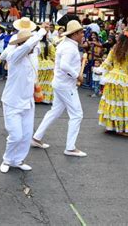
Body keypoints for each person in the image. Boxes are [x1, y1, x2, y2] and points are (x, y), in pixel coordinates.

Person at [32, 20, 87, 157]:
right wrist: (77, 76)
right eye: (81, 33)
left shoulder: (66, 44)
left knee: (54, 112)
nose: (82, 36)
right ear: (74, 34)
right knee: (77, 114)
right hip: (66, 85)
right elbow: (64, 65)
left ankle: (36, 137)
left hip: (61, 83)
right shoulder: (69, 47)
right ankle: (70, 147)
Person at [0, 24, 48, 173]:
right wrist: (41, 32)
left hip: (28, 102)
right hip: (12, 102)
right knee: (15, 135)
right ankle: (7, 159)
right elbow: (27, 45)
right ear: (21, 43)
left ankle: (18, 160)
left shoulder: (32, 55)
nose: (35, 46)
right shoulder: (14, 55)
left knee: (26, 136)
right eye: (31, 43)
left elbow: (33, 47)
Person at [99, 32, 128, 136]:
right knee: (123, 104)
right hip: (123, 80)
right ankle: (121, 129)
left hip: (112, 79)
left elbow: (106, 63)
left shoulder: (114, 49)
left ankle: (111, 126)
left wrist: (99, 70)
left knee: (112, 103)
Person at [38, 32, 56, 104]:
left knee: (39, 82)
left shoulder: (36, 44)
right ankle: (46, 99)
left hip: (39, 65)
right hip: (49, 65)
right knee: (48, 83)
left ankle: (38, 97)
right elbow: (53, 55)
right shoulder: (49, 44)